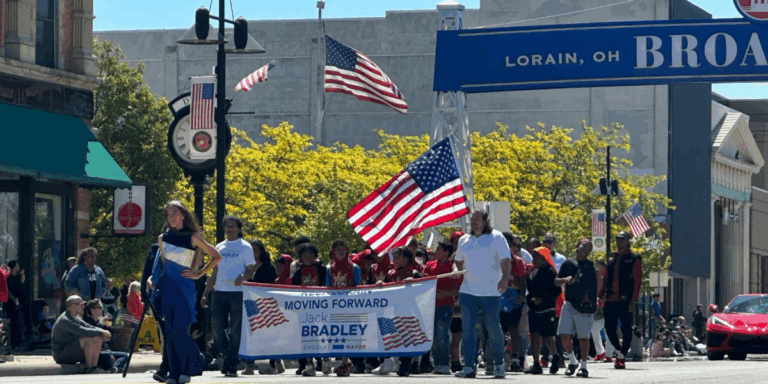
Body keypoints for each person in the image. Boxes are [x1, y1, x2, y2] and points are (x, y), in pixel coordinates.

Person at [148, 200, 222, 384]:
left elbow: (216, 256)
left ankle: (192, 365)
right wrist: (152, 279)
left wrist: (198, 274)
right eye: (168, 214)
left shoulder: (193, 236)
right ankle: (174, 373)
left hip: (185, 288)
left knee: (180, 330)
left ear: (183, 215)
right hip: (166, 288)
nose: (171, 217)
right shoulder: (162, 238)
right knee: (170, 332)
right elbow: (162, 265)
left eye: (175, 213)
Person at [453, 210, 511, 379]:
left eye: (477, 219)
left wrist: (504, 279)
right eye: (472, 220)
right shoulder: (464, 240)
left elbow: (506, 260)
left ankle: (499, 364)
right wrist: (456, 269)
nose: (473, 222)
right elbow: (457, 260)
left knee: (493, 328)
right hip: (467, 291)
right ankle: (469, 366)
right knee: (468, 329)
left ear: (486, 221)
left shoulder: (497, 237)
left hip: (491, 292)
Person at [201, 215, 256, 378]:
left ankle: (231, 362)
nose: (229, 229)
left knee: (235, 330)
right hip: (219, 291)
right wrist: (206, 293)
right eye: (227, 226)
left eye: (233, 226)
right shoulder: (220, 246)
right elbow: (214, 271)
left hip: (237, 293)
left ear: (239, 229)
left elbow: (251, 269)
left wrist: (243, 277)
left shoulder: (245, 247)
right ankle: (227, 355)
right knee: (217, 327)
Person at [372, 246, 422, 377]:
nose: (395, 259)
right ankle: (387, 360)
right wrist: (380, 284)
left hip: (408, 311)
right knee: (388, 335)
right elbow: (386, 289)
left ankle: (405, 364)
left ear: (406, 258)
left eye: (398, 256)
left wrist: (415, 282)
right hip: (391, 311)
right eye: (393, 256)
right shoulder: (390, 274)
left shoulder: (414, 273)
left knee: (406, 338)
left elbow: (424, 289)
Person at [555, 238, 597, 378]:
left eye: (589, 247)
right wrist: (564, 280)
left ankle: (583, 366)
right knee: (563, 333)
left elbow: (595, 286)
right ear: (577, 245)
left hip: (584, 307)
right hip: (569, 303)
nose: (586, 249)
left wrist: (591, 299)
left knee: (583, 337)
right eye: (584, 245)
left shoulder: (591, 267)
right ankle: (572, 361)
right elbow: (556, 280)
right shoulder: (568, 263)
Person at [600, 231, 642, 369]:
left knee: (626, 329)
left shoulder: (634, 257)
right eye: (618, 239)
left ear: (628, 240)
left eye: (622, 239)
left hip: (626, 300)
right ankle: (618, 352)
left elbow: (637, 280)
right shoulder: (611, 256)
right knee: (609, 328)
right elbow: (605, 277)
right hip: (610, 299)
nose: (620, 241)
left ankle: (621, 356)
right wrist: (601, 294)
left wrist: (633, 301)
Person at [422, 240, 460, 375]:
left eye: (438, 249)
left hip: (445, 305)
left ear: (445, 252)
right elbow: (421, 281)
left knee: (442, 333)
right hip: (429, 306)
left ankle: (443, 364)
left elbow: (456, 290)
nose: (435, 251)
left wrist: (441, 294)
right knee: (432, 334)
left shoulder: (452, 269)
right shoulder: (429, 265)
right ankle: (435, 362)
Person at [524, 247, 562, 375]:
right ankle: (536, 363)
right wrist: (527, 277)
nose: (533, 259)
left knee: (547, 336)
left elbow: (556, 291)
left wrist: (542, 299)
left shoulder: (551, 272)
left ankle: (555, 356)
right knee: (534, 335)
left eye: (536, 257)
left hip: (547, 308)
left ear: (543, 258)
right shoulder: (533, 271)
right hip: (534, 309)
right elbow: (531, 288)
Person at [325, 239, 361, 376]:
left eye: (343, 249)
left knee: (348, 334)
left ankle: (346, 362)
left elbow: (358, 287)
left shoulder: (354, 267)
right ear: (333, 252)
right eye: (337, 250)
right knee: (336, 334)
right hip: (335, 307)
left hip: (350, 306)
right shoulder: (329, 268)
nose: (340, 252)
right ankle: (340, 361)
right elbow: (328, 288)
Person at [243, 239, 278, 375]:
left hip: (265, 304)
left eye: (256, 250)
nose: (253, 252)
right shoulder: (244, 265)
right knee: (250, 333)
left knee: (268, 333)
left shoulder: (268, 267)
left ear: (261, 252)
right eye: (251, 250)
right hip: (250, 303)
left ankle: (273, 364)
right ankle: (249, 365)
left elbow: (272, 287)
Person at [51, 295, 111, 374]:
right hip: (61, 355)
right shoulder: (65, 319)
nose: (83, 306)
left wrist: (102, 331)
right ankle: (89, 367)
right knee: (88, 337)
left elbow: (88, 326)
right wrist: (101, 332)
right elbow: (82, 331)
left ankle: (94, 367)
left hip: (71, 351)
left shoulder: (74, 318)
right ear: (73, 306)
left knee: (97, 337)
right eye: (81, 304)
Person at [291, 243, 326, 376]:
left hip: (321, 309)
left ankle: (326, 360)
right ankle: (310, 364)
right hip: (304, 311)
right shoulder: (297, 274)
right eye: (304, 254)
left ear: (315, 256)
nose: (307, 256)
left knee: (324, 334)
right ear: (300, 257)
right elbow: (292, 293)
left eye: (310, 253)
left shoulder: (322, 270)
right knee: (307, 336)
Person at [500, 233, 527, 372]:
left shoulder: (517, 261)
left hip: (513, 299)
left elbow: (522, 280)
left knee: (514, 329)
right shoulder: (494, 259)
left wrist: (522, 295)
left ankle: (515, 358)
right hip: (497, 298)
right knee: (498, 329)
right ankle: (497, 358)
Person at [541, 232, 566, 369]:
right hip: (543, 296)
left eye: (550, 241)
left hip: (557, 297)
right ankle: (544, 357)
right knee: (544, 329)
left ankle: (560, 357)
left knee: (557, 329)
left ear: (554, 243)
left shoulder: (561, 259)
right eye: (545, 241)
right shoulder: (539, 257)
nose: (547, 244)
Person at [82, 299, 128, 372]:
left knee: (125, 355)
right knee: (107, 357)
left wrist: (107, 326)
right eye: (100, 307)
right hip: (95, 352)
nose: (102, 309)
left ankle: (115, 368)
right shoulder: (87, 322)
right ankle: (116, 369)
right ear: (92, 310)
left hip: (105, 350)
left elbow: (109, 337)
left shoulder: (99, 323)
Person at [448, 231, 464, 373]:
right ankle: (454, 360)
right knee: (455, 334)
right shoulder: (452, 258)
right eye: (455, 242)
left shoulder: (467, 256)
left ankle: (458, 359)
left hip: (465, 299)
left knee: (461, 334)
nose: (458, 245)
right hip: (454, 302)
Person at [4, 260, 27, 350]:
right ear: (14, 267)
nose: (18, 267)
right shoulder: (8, 278)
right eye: (17, 266)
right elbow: (7, 291)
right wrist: (14, 299)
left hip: (19, 303)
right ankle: (13, 342)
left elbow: (22, 281)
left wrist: (22, 274)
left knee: (19, 321)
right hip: (11, 304)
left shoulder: (16, 277)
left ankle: (18, 341)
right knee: (14, 322)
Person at [590, 260, 608, 362]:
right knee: (594, 329)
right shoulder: (595, 279)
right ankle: (601, 352)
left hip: (607, 308)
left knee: (608, 331)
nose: (597, 268)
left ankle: (611, 352)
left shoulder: (607, 279)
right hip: (598, 310)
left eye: (599, 266)